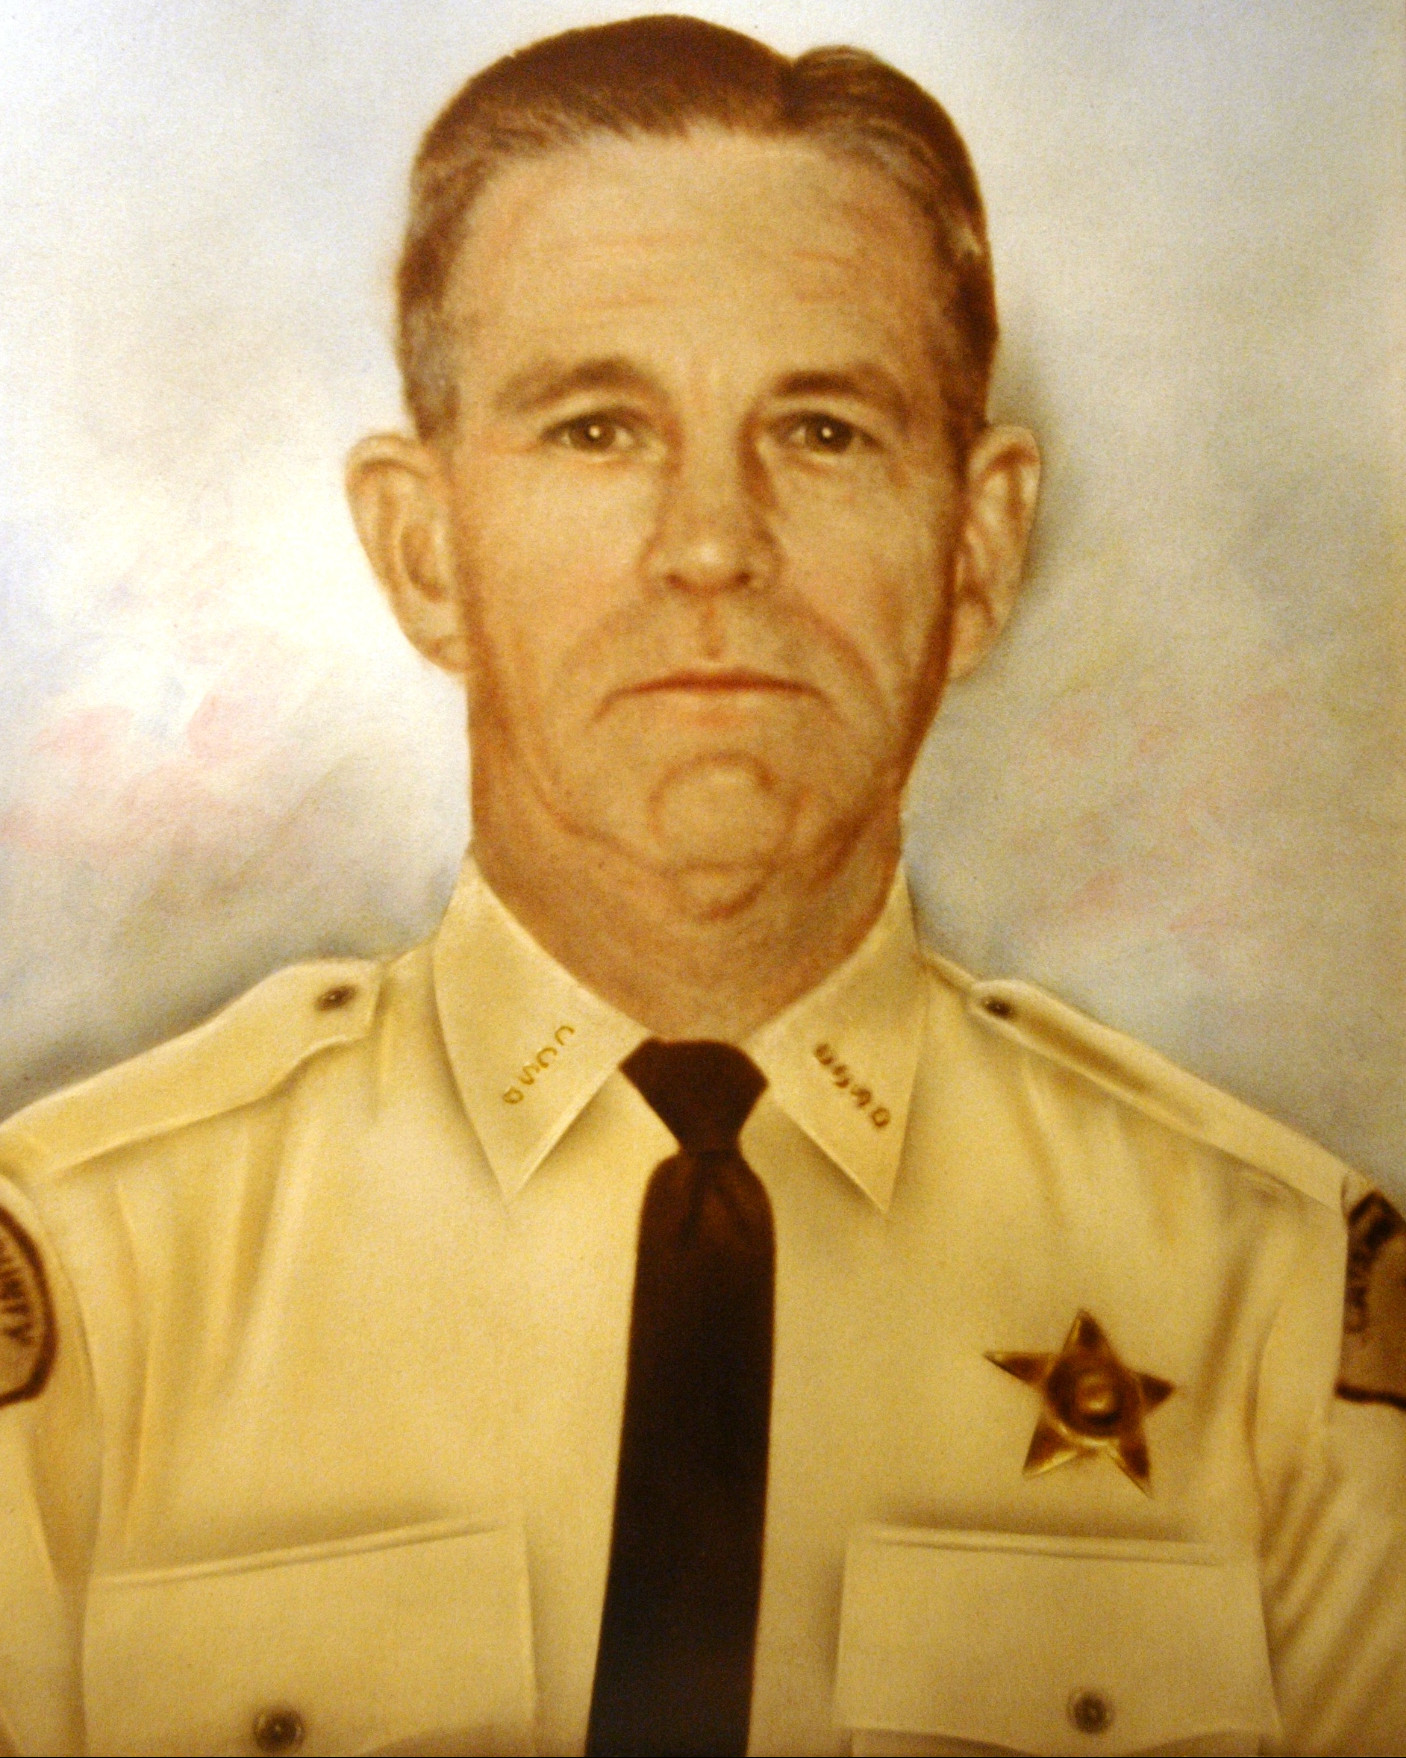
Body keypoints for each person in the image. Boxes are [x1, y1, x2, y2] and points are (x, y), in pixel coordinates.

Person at [0, 15, 1401, 1756]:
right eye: (598, 429)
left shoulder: (1267, 1300)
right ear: (422, 549)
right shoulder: (100, 1274)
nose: (714, 544)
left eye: (821, 430)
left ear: (977, 547)